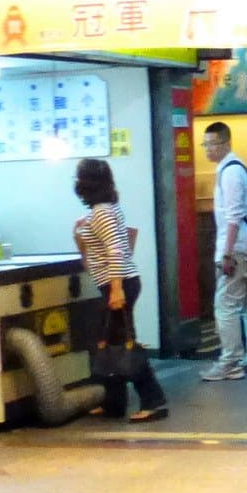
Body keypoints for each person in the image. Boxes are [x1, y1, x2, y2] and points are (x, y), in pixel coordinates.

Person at [73, 159, 166, 422]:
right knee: (112, 343)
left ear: (86, 183)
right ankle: (114, 402)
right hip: (118, 282)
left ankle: (154, 401)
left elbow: (115, 251)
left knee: (125, 344)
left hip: (119, 284)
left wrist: (116, 289)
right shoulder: (104, 210)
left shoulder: (102, 213)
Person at [201, 122, 247, 380]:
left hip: (237, 249)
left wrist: (227, 253)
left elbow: (233, 217)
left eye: (213, 144)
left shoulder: (230, 172)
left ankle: (230, 362)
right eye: (206, 144)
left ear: (226, 143)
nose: (208, 149)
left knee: (225, 306)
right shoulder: (236, 168)